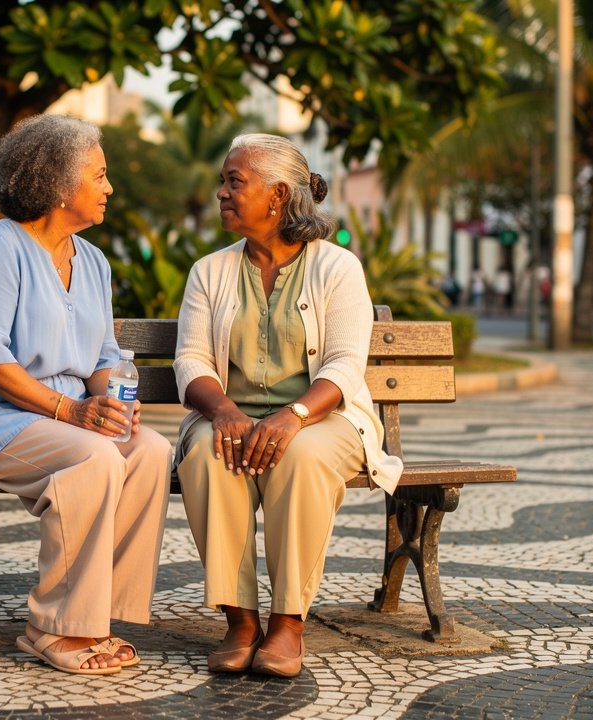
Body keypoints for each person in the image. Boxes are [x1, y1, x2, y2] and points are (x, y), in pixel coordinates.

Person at [0, 114, 171, 676]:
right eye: (100, 175)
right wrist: (73, 410)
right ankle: (55, 627)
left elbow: (103, 358)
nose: (110, 188)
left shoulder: (94, 262)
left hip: (59, 420)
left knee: (149, 450)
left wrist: (112, 400)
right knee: (93, 456)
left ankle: (97, 616)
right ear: (61, 185)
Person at [173, 134, 404, 678]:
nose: (222, 193)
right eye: (225, 180)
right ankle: (240, 621)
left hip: (323, 420)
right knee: (209, 452)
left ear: (277, 195)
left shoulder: (337, 267)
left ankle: (287, 624)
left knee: (299, 456)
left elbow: (345, 367)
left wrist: (293, 417)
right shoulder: (209, 271)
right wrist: (224, 411)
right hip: (227, 416)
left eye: (236, 181)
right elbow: (191, 362)